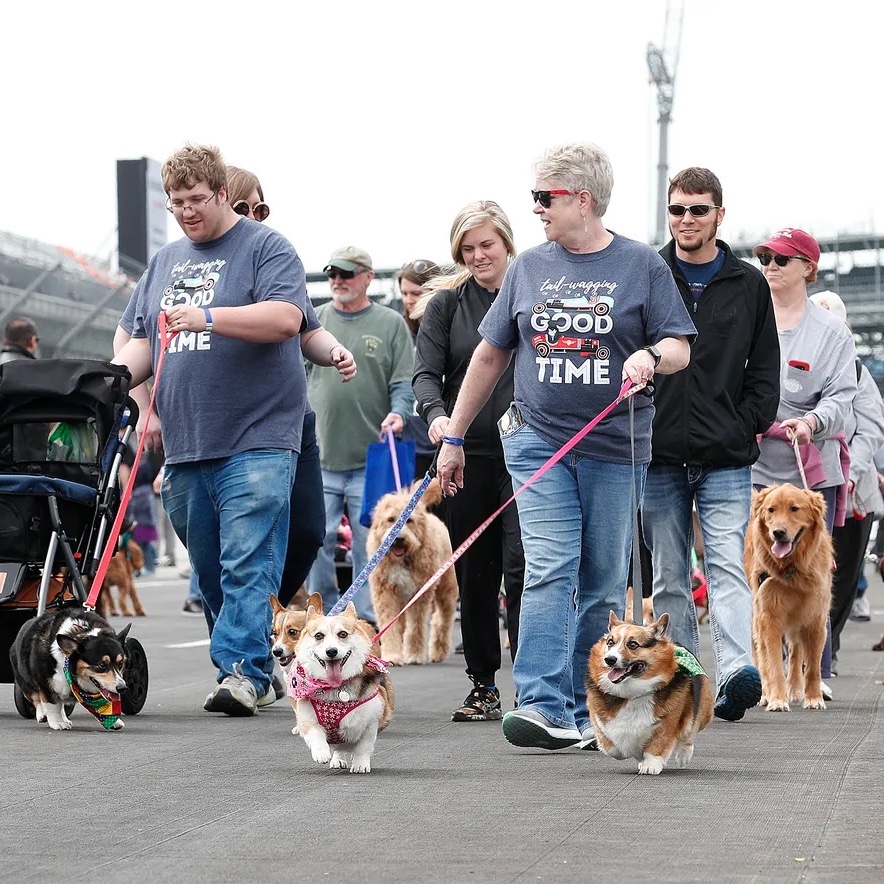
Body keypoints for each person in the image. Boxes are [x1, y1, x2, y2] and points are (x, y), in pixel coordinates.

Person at [437, 143, 695, 750]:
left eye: (544, 198)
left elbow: (681, 347)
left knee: (604, 582)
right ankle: (541, 702)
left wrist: (651, 355)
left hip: (614, 445)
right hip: (537, 441)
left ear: (582, 198)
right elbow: (491, 353)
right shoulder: (529, 268)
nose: (535, 210)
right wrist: (453, 433)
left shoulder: (641, 266)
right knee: (549, 566)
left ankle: (590, 706)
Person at [112, 144, 355, 716]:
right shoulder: (166, 262)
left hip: (259, 436)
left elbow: (287, 320)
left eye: (198, 199)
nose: (188, 211)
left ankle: (240, 672)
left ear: (223, 193)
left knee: (248, 559)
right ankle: (251, 662)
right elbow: (139, 342)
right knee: (211, 566)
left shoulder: (266, 248)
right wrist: (110, 387)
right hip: (189, 441)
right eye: (177, 203)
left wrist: (208, 317)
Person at [640, 167, 780, 722]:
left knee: (726, 564)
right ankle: (685, 680)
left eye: (698, 209)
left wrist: (745, 422)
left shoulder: (748, 284)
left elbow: (764, 369)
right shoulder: (648, 273)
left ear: (719, 214)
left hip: (725, 455)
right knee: (670, 574)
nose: (686, 219)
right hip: (659, 453)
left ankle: (737, 672)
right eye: (677, 209)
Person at [413, 201, 526, 723]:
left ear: (506, 243)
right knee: (476, 574)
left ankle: (534, 683)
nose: (478, 255)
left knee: (525, 568)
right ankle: (483, 684)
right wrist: (438, 418)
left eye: (488, 245)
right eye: (468, 248)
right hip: (465, 453)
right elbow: (426, 375)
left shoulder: (532, 289)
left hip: (529, 452)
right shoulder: (445, 305)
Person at [751, 228, 858, 692]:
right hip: (754, 466)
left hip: (812, 469)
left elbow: (843, 397)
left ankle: (815, 671)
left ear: (807, 268)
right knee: (754, 575)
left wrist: (811, 422)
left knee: (814, 574)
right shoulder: (749, 319)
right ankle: (757, 670)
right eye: (763, 257)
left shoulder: (832, 331)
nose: (770, 265)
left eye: (781, 258)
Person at [226, 166, 327, 607]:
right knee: (237, 553)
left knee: (308, 532)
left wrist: (334, 350)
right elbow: (137, 335)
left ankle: (263, 612)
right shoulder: (200, 266)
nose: (254, 218)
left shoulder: (273, 255)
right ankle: (244, 639)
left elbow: (304, 327)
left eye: (259, 209)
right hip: (228, 426)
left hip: (289, 421)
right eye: (242, 209)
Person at [307, 246, 414, 623]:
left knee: (369, 543)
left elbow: (404, 383)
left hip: (372, 458)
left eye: (346, 274)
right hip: (319, 457)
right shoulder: (315, 320)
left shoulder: (390, 323)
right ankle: (322, 614)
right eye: (332, 273)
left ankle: (365, 619)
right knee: (314, 541)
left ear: (367, 277)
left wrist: (399, 413)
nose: (337, 280)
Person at [808, 291, 884, 667]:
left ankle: (827, 649)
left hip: (852, 495)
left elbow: (869, 430)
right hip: (800, 487)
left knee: (842, 574)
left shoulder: (857, 370)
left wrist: (850, 476)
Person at [396, 259, 440, 480]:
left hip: (441, 430)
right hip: (411, 439)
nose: (409, 301)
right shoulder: (402, 333)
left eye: (416, 293)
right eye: (404, 294)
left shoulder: (451, 331)